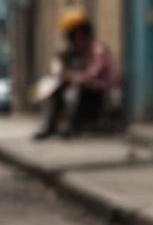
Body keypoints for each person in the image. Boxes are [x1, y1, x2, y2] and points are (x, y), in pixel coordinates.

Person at [33, 8, 116, 139]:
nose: (78, 41)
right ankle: (51, 124)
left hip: (100, 92)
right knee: (57, 89)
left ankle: (72, 125)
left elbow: (91, 75)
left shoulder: (98, 51)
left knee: (77, 89)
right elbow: (57, 70)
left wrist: (70, 76)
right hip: (85, 87)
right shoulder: (70, 53)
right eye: (74, 37)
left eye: (80, 36)